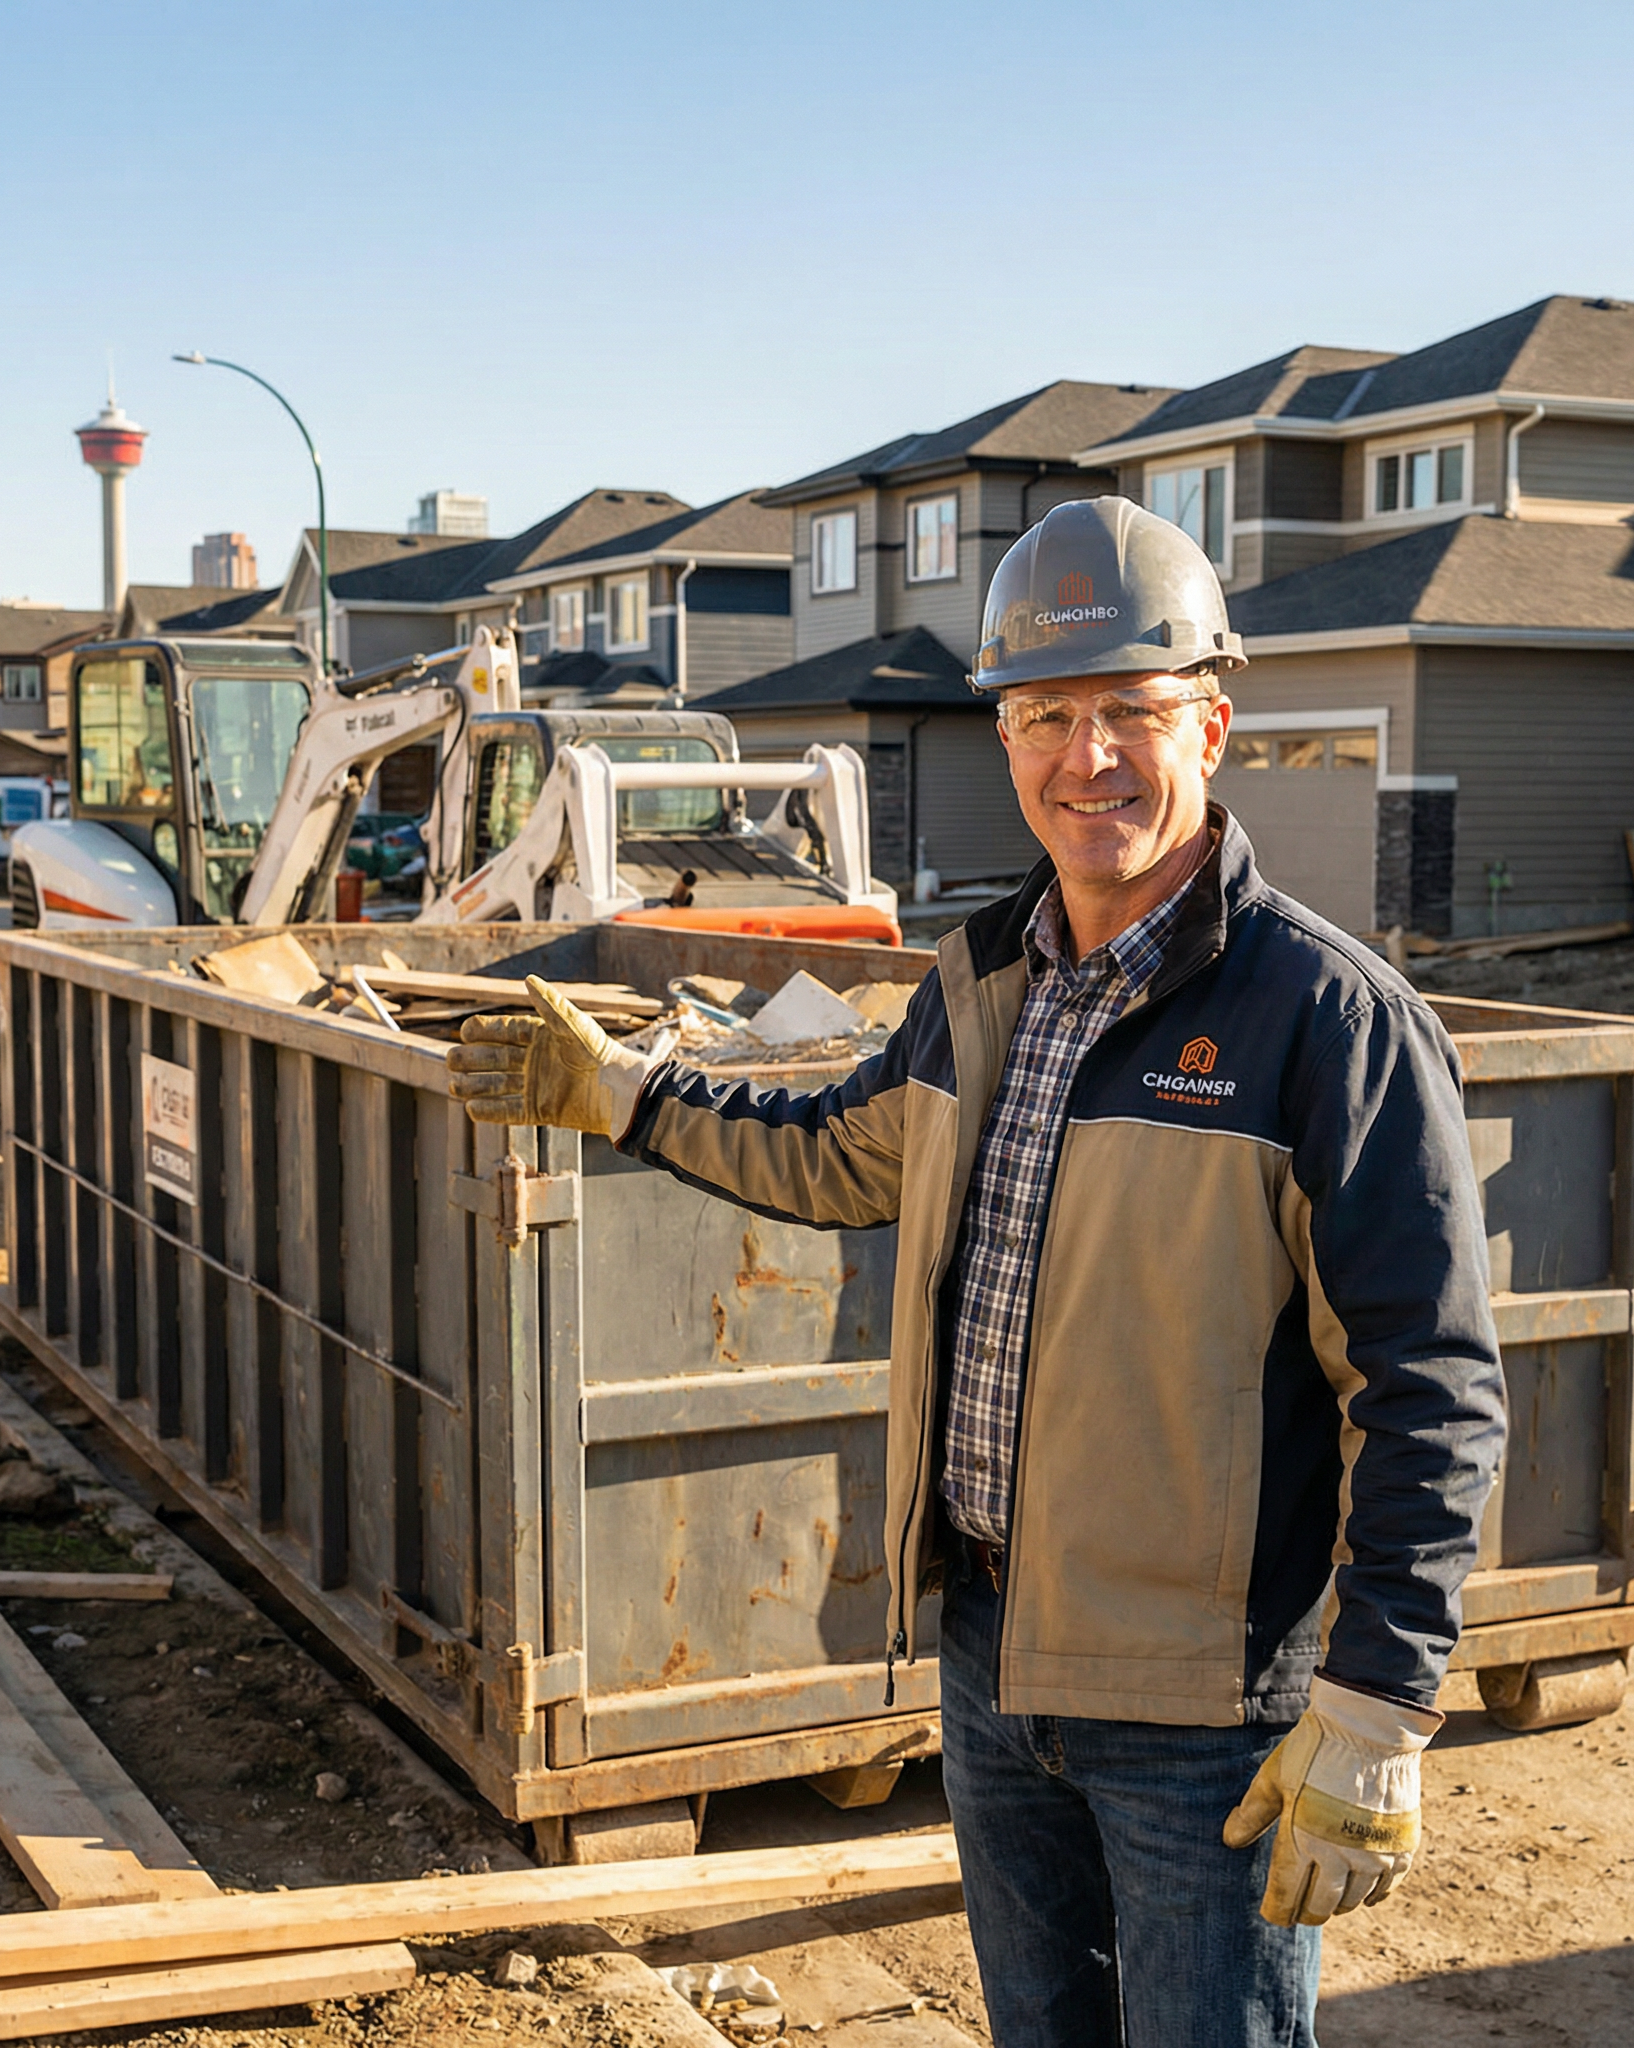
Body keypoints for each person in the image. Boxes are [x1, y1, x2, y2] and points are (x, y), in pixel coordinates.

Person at [447, 497, 1506, 2048]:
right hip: (994, 1664)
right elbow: (838, 1152)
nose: (1090, 759)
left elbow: (1430, 1390)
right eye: (1047, 716)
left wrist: (1376, 1707)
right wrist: (620, 1093)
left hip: (1203, 1714)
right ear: (1005, 737)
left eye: (1130, 714)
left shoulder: (1328, 1023)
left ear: (1210, 722)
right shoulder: (981, 977)